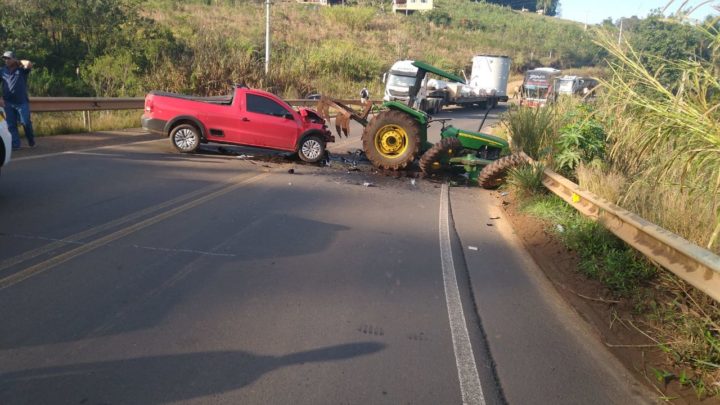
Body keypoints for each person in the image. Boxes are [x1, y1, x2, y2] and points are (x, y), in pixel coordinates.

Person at [1, 51, 35, 150]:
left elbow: (28, 63)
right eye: (4, 58)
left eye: (8, 58)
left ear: (14, 59)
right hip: (8, 102)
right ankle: (15, 145)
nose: (6, 60)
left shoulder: (22, 70)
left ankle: (31, 141)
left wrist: (17, 61)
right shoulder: (2, 71)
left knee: (26, 123)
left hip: (21, 102)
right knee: (11, 125)